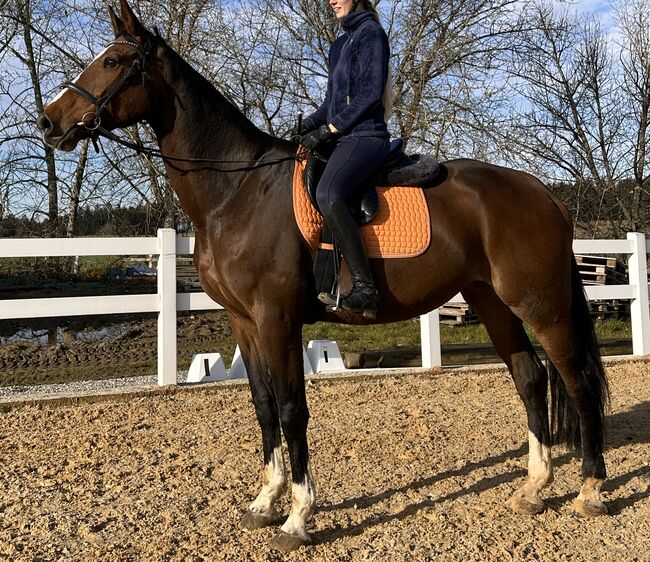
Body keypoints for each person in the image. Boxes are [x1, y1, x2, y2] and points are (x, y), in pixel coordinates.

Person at [296, 0, 391, 319]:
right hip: (343, 136)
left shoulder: (370, 34)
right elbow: (330, 104)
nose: (331, 0)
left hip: (367, 136)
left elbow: (371, 95)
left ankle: (365, 289)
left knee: (327, 192)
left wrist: (331, 129)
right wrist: (309, 125)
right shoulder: (339, 44)